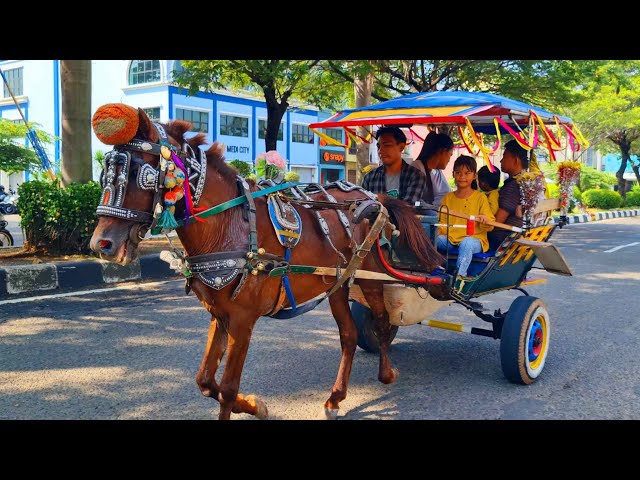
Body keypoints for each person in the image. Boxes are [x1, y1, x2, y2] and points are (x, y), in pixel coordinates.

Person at [436, 155, 494, 279]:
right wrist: (437, 232)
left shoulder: (480, 197)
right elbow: (442, 223)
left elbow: (490, 225)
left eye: (467, 173)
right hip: (451, 239)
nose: (462, 177)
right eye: (458, 173)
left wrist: (485, 219)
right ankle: (434, 272)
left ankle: (459, 277)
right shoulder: (448, 197)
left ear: (474, 176)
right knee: (434, 240)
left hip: (475, 240)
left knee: (466, 243)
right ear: (453, 174)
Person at [362, 126, 426, 205]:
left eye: (387, 145)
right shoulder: (369, 178)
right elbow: (363, 207)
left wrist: (382, 200)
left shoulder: (415, 176)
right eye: (378, 146)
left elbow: (408, 207)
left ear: (401, 147)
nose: (380, 150)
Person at [487, 140, 528, 250]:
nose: (501, 161)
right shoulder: (527, 181)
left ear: (516, 160)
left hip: (502, 239)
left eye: (505, 157)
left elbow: (497, 222)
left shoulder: (513, 185)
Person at [411, 131, 454, 209]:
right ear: (442, 151)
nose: (449, 160)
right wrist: (434, 208)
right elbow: (415, 202)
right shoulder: (416, 168)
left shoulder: (437, 172)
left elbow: (446, 194)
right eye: (450, 155)